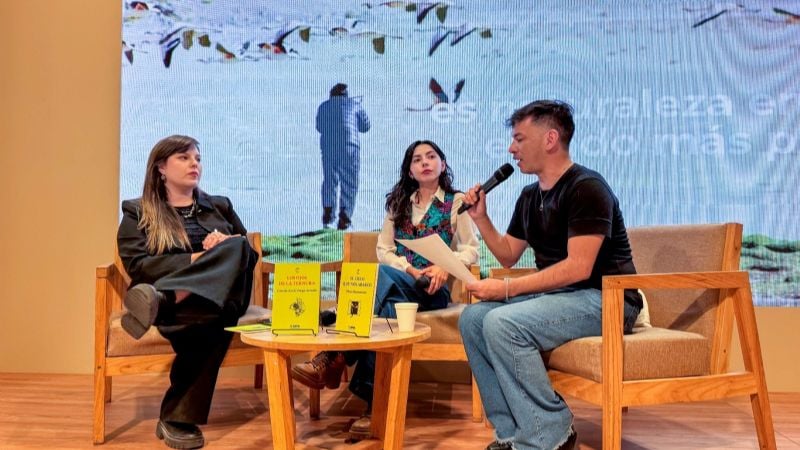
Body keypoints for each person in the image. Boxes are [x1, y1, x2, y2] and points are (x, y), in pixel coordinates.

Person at [458, 101, 642, 450]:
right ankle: (512, 434)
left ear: (550, 139)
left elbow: (579, 267)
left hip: (608, 299)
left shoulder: (587, 187)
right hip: (562, 298)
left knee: (503, 323)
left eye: (519, 138)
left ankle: (549, 433)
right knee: (472, 319)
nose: (511, 148)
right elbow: (508, 255)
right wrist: (481, 218)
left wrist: (507, 290)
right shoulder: (529, 195)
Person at [292, 140, 479, 439]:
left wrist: (446, 266)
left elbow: (472, 249)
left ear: (442, 164)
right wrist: (408, 269)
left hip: (433, 291)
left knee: (379, 276)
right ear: (410, 169)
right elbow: (384, 249)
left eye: (431, 157)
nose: (425, 162)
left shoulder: (457, 203)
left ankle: (334, 352)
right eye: (417, 159)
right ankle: (374, 407)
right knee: (388, 309)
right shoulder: (398, 204)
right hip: (403, 284)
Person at [117, 135, 259, 450]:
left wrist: (223, 247)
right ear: (161, 168)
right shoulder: (138, 212)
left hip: (209, 299)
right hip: (189, 313)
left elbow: (249, 258)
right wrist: (197, 259)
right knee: (212, 324)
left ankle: (167, 296)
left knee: (236, 245)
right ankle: (176, 418)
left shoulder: (220, 206)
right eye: (183, 157)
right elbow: (139, 266)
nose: (194, 163)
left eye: (197, 157)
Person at [316, 82, 371, 230]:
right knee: (349, 182)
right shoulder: (354, 104)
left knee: (330, 181)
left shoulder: (323, 106)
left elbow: (319, 126)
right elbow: (366, 126)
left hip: (328, 146)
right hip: (350, 146)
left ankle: (328, 218)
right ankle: (345, 220)